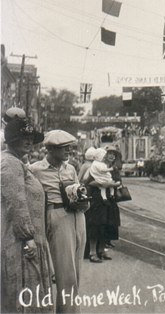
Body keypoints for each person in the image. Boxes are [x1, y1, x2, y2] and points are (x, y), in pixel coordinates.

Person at [30, 130, 87, 313]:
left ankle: (70, 310)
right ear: (50, 149)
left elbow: (78, 189)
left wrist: (83, 200)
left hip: (78, 217)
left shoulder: (69, 168)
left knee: (76, 271)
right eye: (64, 148)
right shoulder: (35, 169)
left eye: (69, 147)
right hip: (57, 216)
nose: (68, 151)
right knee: (65, 273)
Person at [1, 116, 54, 314]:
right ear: (12, 138)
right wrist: (28, 237)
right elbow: (17, 203)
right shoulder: (10, 164)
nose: (30, 141)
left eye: (32, 137)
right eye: (25, 137)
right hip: (21, 242)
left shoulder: (16, 162)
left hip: (27, 239)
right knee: (24, 294)